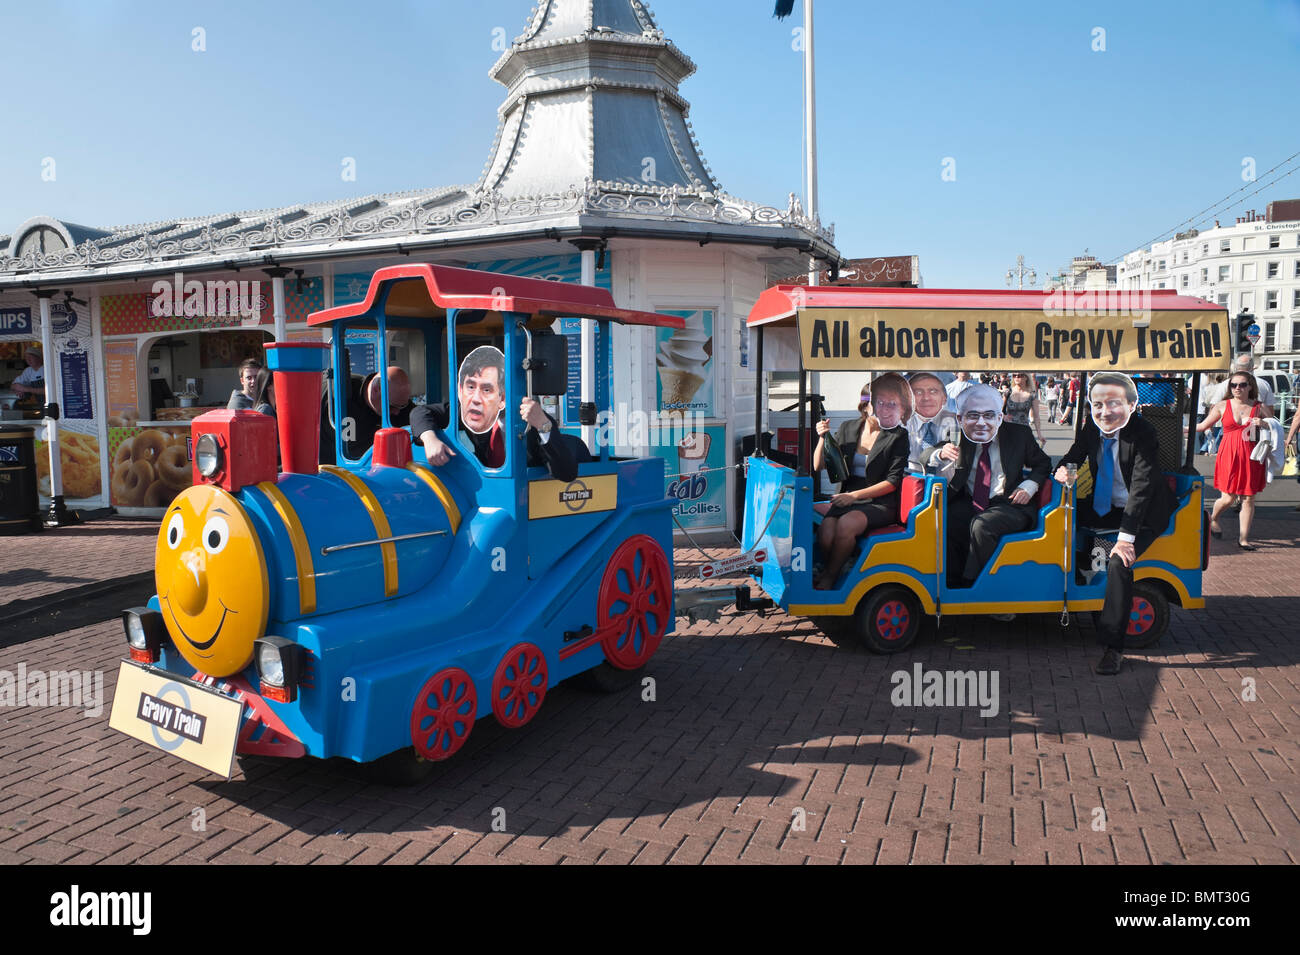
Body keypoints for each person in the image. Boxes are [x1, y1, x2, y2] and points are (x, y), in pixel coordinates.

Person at [1056, 372, 1177, 676]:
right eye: (1098, 405)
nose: (1105, 411)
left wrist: (1125, 539)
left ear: (1130, 405)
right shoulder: (1091, 429)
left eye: (1113, 404)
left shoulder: (1143, 433)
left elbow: (1141, 488)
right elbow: (1072, 457)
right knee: (1054, 521)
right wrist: (1063, 470)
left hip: (1145, 512)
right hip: (1106, 506)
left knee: (1118, 564)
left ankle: (1114, 647)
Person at [937, 383, 1050, 588]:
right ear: (962, 417)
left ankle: (979, 586)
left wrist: (1029, 486)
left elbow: (1043, 463)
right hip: (970, 499)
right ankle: (950, 583)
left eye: (989, 414)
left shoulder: (1019, 434)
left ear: (999, 416)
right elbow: (928, 452)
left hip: (1010, 503)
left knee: (981, 525)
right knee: (945, 519)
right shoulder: (960, 433)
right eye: (973, 414)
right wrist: (941, 452)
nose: (981, 422)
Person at [411, 345, 577, 482]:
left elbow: (567, 473)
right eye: (471, 387)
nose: (476, 398)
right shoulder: (472, 411)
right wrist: (430, 439)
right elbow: (421, 412)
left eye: (487, 389)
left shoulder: (534, 420)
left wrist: (543, 424)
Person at [811, 373, 911, 590]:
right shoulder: (848, 428)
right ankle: (841, 568)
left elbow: (893, 481)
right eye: (878, 404)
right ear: (866, 406)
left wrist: (853, 496)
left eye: (889, 405)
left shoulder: (897, 435)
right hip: (847, 495)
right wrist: (822, 438)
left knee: (846, 525)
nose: (884, 409)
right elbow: (818, 465)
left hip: (880, 500)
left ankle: (830, 577)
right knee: (826, 532)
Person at [1196, 371, 1267, 549]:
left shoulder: (1259, 406)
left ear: (1250, 386)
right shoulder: (1222, 405)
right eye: (1233, 385)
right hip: (1229, 454)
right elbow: (1202, 426)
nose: (1237, 388)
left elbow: (1274, 427)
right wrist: (1177, 428)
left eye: (1242, 385)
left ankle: (1243, 539)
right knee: (1228, 498)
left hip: (1252, 456)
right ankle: (1213, 518)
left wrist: (1264, 423)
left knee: (1249, 498)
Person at [346, 365, 416, 456]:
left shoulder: (399, 402)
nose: (397, 412)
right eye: (392, 406)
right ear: (375, 390)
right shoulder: (339, 392)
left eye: (402, 406)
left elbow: (421, 418)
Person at [905, 371, 959, 471]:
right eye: (919, 392)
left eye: (933, 391)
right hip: (909, 479)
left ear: (944, 398)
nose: (926, 398)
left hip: (945, 483)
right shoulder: (902, 422)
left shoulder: (955, 421)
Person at [1209, 355, 1273, 417]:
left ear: (1236, 367)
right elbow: (1270, 410)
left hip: (1230, 424)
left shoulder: (1226, 383)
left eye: (1243, 385)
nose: (1237, 388)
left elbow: (1213, 406)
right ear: (1252, 367)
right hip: (1256, 424)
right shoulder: (1264, 384)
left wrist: (1209, 427)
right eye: (1234, 386)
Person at [1004, 372, 1045, 445]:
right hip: (1008, 430)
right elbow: (997, 410)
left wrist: (1039, 434)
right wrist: (1003, 416)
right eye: (1014, 375)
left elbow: (1036, 416)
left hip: (1024, 430)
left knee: (1024, 454)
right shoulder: (1007, 392)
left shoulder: (1032, 395)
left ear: (1026, 377)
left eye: (1019, 375)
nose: (1016, 377)